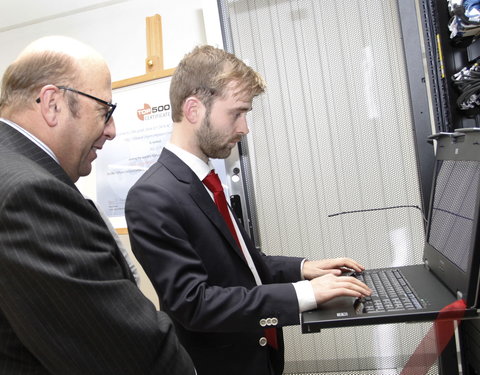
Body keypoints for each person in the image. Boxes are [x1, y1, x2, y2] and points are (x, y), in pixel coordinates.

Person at [125, 45, 371, 375]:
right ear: (194, 109)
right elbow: (195, 304)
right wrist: (303, 294)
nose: (244, 128)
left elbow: (246, 268)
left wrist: (304, 268)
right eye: (236, 113)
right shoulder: (152, 196)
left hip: (260, 358)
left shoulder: (206, 180)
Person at [0, 36, 195, 375]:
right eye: (105, 111)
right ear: (52, 104)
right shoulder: (30, 194)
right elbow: (124, 350)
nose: (112, 131)